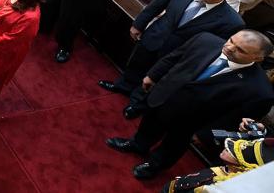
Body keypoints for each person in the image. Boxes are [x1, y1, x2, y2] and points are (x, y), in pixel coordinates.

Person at [105, 31, 274, 180]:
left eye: (240, 50)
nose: (229, 47)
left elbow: (233, 119)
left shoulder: (260, 91)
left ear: (258, 58)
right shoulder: (205, 40)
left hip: (193, 123)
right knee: (149, 125)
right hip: (165, 97)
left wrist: (205, 135)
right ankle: (138, 145)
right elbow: (173, 58)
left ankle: (154, 166)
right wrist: (153, 76)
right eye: (231, 40)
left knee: (172, 147)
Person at [103, 0, 244, 107]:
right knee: (137, 64)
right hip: (155, 37)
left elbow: (211, 47)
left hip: (178, 54)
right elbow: (155, 6)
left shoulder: (231, 21)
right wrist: (138, 25)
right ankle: (123, 86)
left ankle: (137, 101)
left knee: (157, 79)